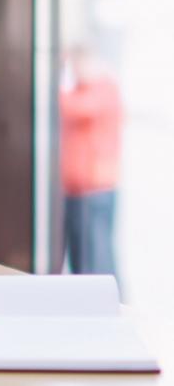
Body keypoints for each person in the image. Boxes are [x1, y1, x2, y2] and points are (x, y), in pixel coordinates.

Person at [59, 44, 122, 279]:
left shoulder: (103, 89)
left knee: (96, 259)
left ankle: (113, 308)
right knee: (80, 259)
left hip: (94, 190)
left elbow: (75, 108)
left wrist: (59, 78)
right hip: (76, 190)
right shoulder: (79, 90)